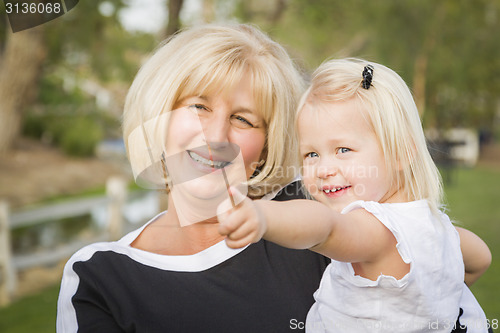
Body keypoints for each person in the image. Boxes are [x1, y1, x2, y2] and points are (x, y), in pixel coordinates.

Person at [56, 23, 331, 332]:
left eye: (243, 119)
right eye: (199, 106)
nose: (215, 136)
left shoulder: (312, 216)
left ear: (267, 147)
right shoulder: (99, 278)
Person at [218, 58, 492, 332]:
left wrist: (263, 215)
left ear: (401, 152)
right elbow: (481, 259)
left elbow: (326, 228)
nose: (323, 169)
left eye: (343, 150)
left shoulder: (378, 232)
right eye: (311, 154)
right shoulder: (440, 230)